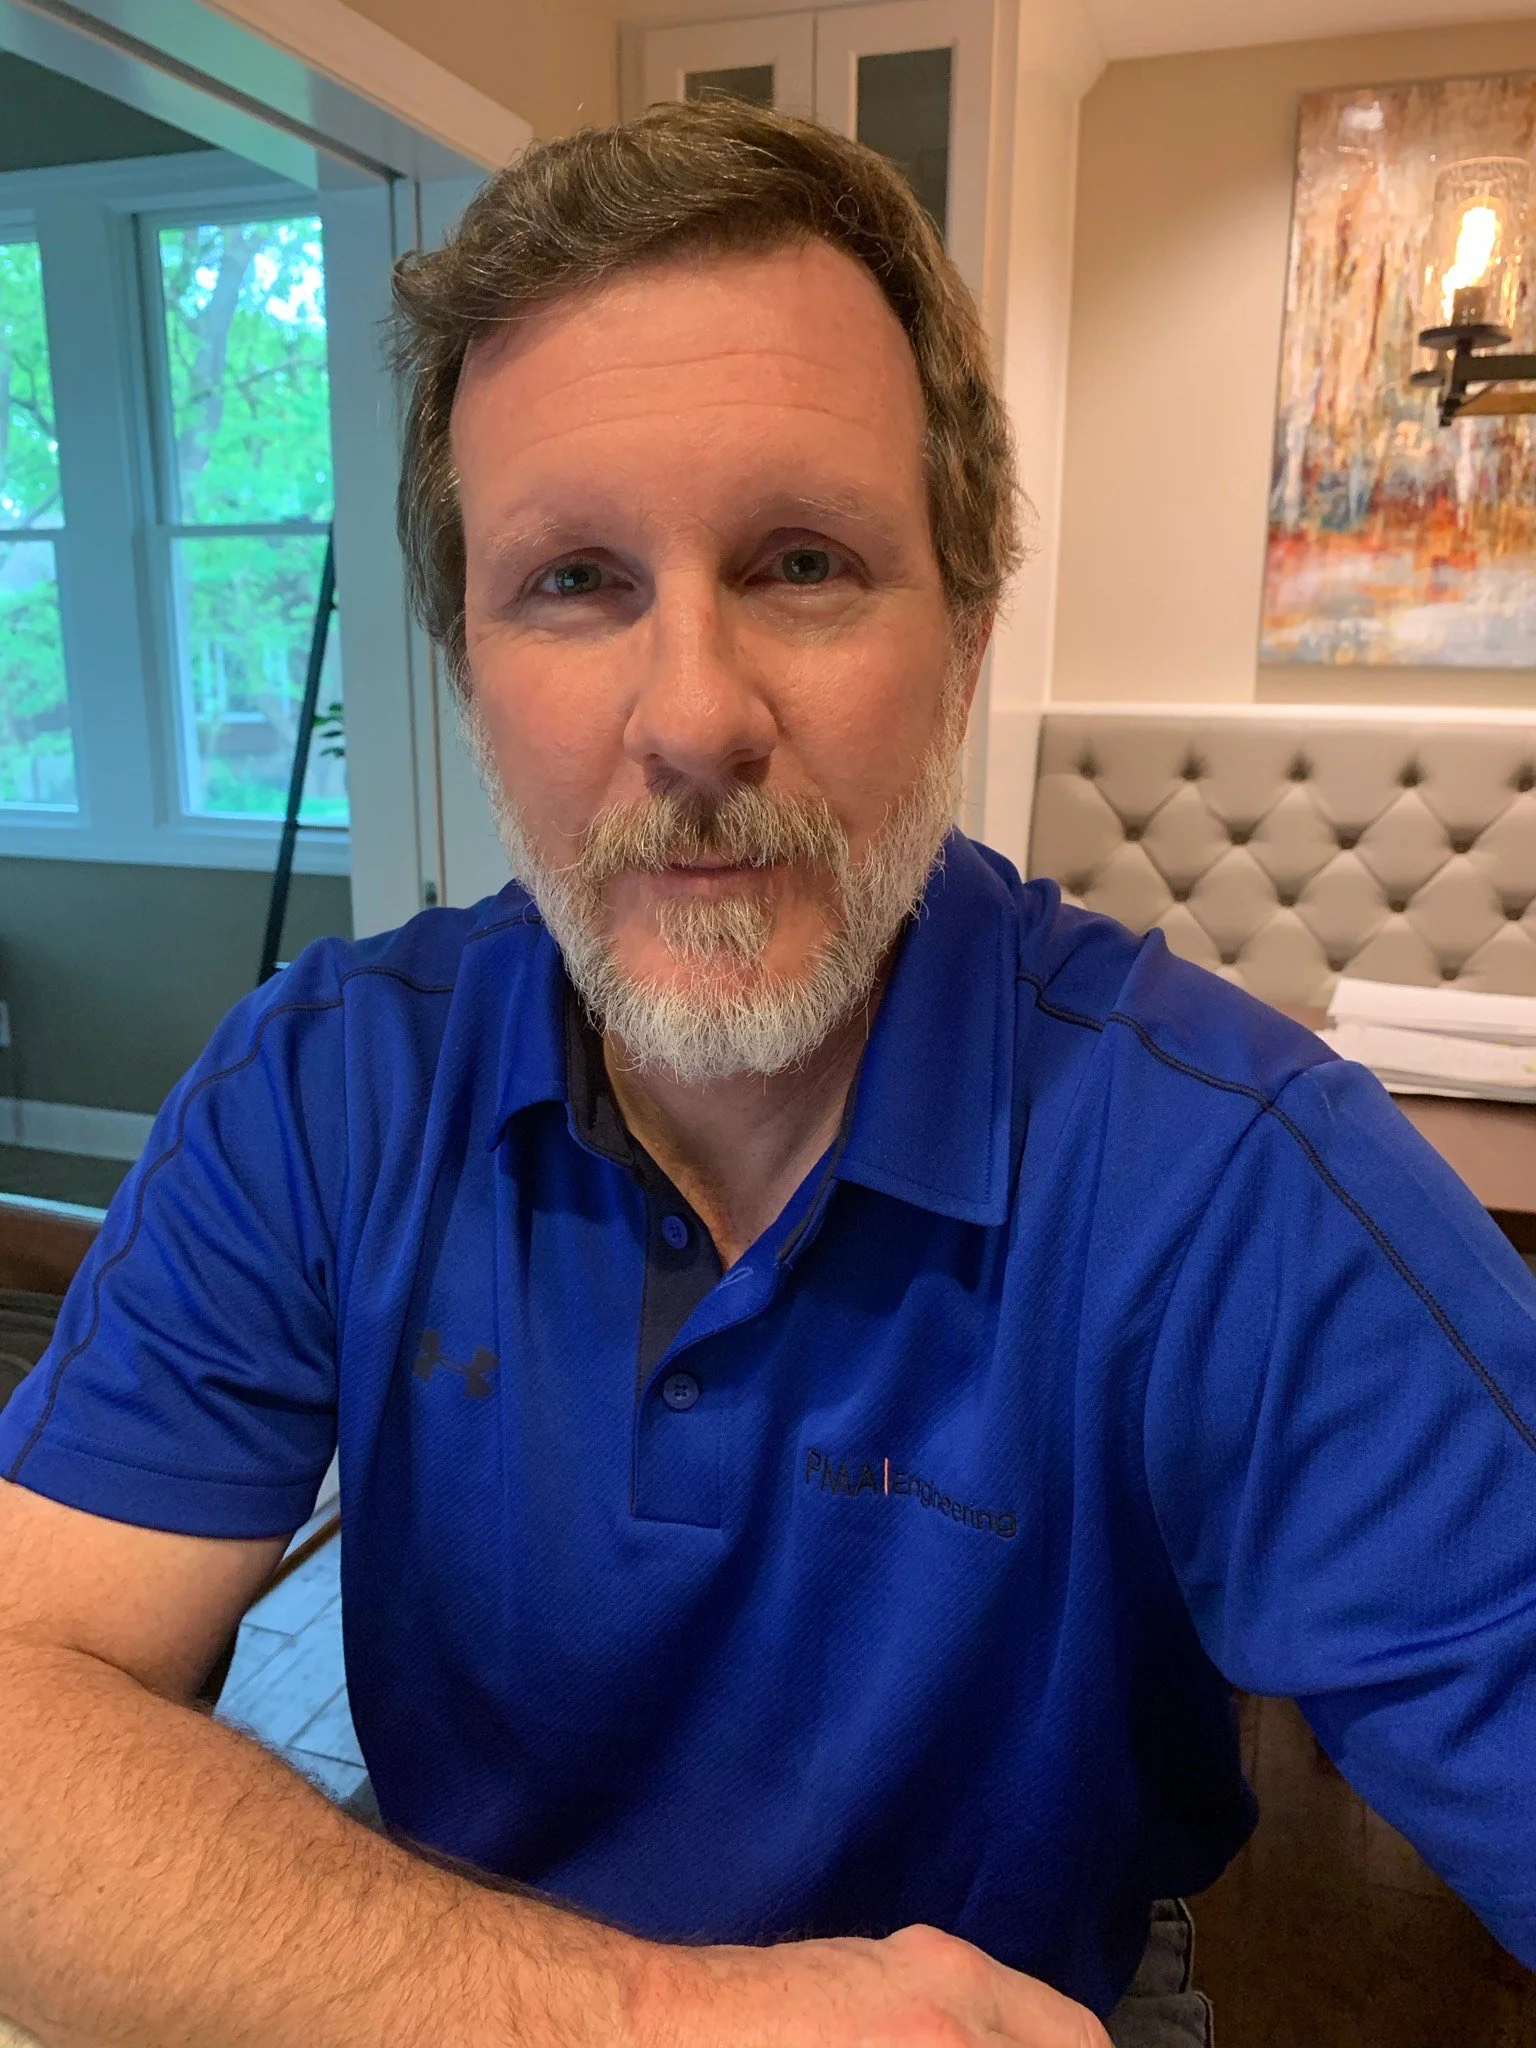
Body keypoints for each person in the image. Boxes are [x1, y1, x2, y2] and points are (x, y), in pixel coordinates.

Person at [0, 96, 1533, 2048]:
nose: (696, 716)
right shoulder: (320, 1094)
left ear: (966, 631)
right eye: (574, 581)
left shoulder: (1237, 1183)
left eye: (804, 561)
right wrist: (648, 2021)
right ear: (469, 666)